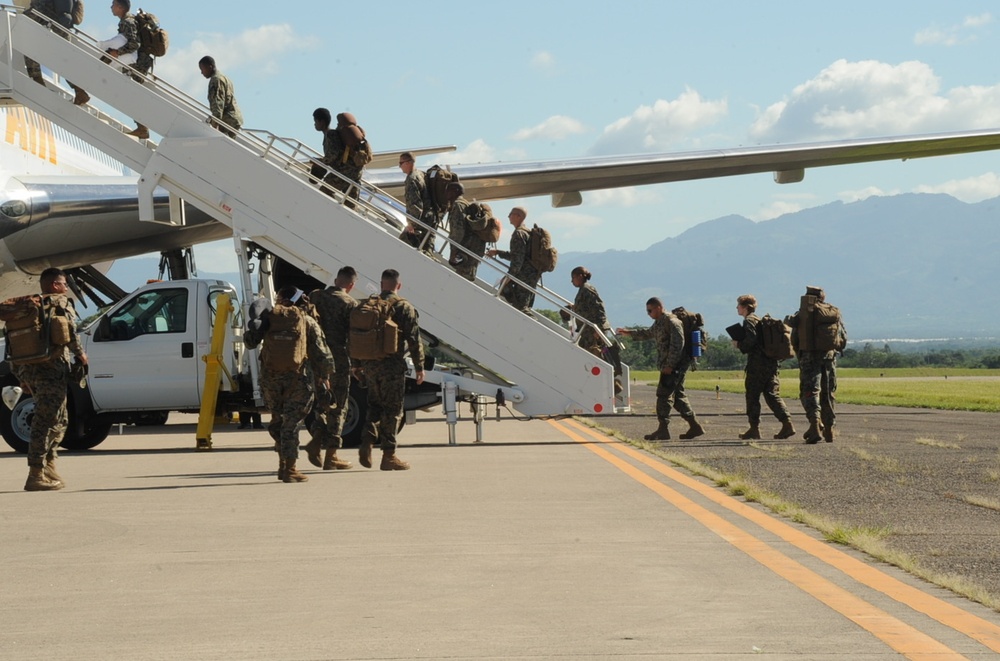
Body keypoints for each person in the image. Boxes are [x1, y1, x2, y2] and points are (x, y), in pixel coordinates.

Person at [13, 268, 88, 491]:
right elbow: (70, 333)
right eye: (64, 284)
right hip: (51, 371)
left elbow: (14, 346)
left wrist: (21, 376)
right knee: (45, 422)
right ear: (55, 285)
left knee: (59, 420)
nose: (66, 288)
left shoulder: (30, 308)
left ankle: (48, 467)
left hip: (33, 371)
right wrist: (81, 354)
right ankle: (36, 473)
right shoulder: (58, 303)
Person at [252, 286, 334, 483]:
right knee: (292, 424)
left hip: (271, 380)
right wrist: (324, 376)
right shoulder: (306, 320)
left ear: (280, 299)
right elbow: (322, 352)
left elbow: (250, 341)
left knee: (278, 422)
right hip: (297, 380)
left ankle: (282, 465)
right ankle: (291, 468)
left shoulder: (269, 318)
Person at [357, 269, 424, 471]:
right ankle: (389, 457)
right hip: (392, 367)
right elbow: (414, 340)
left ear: (381, 284)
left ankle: (368, 437)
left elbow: (356, 336)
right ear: (399, 285)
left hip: (370, 366)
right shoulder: (404, 307)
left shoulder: (368, 305)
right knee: (393, 411)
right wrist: (420, 366)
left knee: (374, 406)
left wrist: (356, 364)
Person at [616, 297, 705, 441]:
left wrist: (670, 364)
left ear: (658, 307)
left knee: (663, 396)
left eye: (650, 310)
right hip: (669, 366)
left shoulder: (672, 322)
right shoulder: (659, 322)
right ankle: (694, 426)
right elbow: (647, 333)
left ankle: (663, 429)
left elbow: (678, 344)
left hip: (674, 366)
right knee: (678, 397)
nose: (648, 313)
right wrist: (628, 332)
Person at [303, 266, 360, 471]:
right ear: (351, 285)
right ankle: (331, 455)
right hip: (338, 361)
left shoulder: (315, 296)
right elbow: (352, 338)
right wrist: (356, 365)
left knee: (322, 403)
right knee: (339, 406)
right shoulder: (350, 304)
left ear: (336, 280)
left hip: (315, 360)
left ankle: (316, 440)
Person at [786, 286, 846, 444]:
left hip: (809, 357)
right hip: (829, 357)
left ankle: (814, 426)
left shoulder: (804, 313)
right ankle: (829, 429)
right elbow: (842, 337)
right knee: (828, 393)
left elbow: (794, 337)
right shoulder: (832, 312)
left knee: (809, 392)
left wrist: (799, 353)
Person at [732, 294, 795, 440]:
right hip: (770, 363)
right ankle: (787, 423)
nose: (737, 308)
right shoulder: (760, 320)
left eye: (739, 305)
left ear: (745, 307)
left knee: (752, 396)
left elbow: (751, 341)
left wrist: (739, 344)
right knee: (772, 395)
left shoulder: (749, 321)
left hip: (757, 365)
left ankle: (754, 428)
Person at [96, 0, 150, 138]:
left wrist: (117, 52)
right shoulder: (126, 20)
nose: (111, 7)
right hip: (137, 62)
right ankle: (142, 127)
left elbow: (134, 44)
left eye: (113, 4)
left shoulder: (128, 22)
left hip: (138, 64)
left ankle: (142, 128)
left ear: (120, 7)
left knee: (130, 95)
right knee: (130, 95)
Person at [563, 266, 622, 389]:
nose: (571, 281)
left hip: (592, 332)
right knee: (588, 360)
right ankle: (599, 386)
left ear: (580, 276)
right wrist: (574, 308)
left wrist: (598, 329)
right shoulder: (582, 290)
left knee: (594, 359)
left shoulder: (587, 290)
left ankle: (611, 386)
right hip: (587, 331)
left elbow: (599, 310)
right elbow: (586, 309)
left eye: (573, 277)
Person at [23, 0, 89, 105]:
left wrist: (21, 16)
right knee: (64, 61)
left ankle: (37, 81)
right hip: (63, 26)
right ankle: (79, 90)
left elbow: (37, 11)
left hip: (50, 26)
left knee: (28, 47)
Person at [487, 206, 540, 313]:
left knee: (521, 308)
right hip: (531, 276)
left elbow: (517, 261)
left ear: (518, 216)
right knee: (523, 307)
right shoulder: (527, 233)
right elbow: (516, 255)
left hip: (523, 277)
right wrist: (497, 252)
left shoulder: (519, 234)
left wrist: (508, 278)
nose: (508, 216)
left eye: (511, 214)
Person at [444, 183, 487, 281]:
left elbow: (458, 231)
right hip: (472, 250)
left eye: (448, 190)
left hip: (465, 250)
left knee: (460, 281)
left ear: (455, 192)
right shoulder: (465, 204)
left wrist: (454, 251)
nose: (446, 193)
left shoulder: (458, 205)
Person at [399, 152, 438, 253]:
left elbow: (415, 205)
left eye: (401, 163)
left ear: (408, 163)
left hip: (422, 220)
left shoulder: (411, 179)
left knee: (402, 244)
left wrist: (411, 224)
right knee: (427, 249)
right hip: (431, 218)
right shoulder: (421, 174)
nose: (399, 166)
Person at [198, 56, 243, 137]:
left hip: (228, 120)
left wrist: (215, 125)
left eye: (202, 69)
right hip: (234, 119)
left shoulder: (216, 80)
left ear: (210, 66)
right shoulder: (224, 78)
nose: (201, 72)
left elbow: (218, 104)